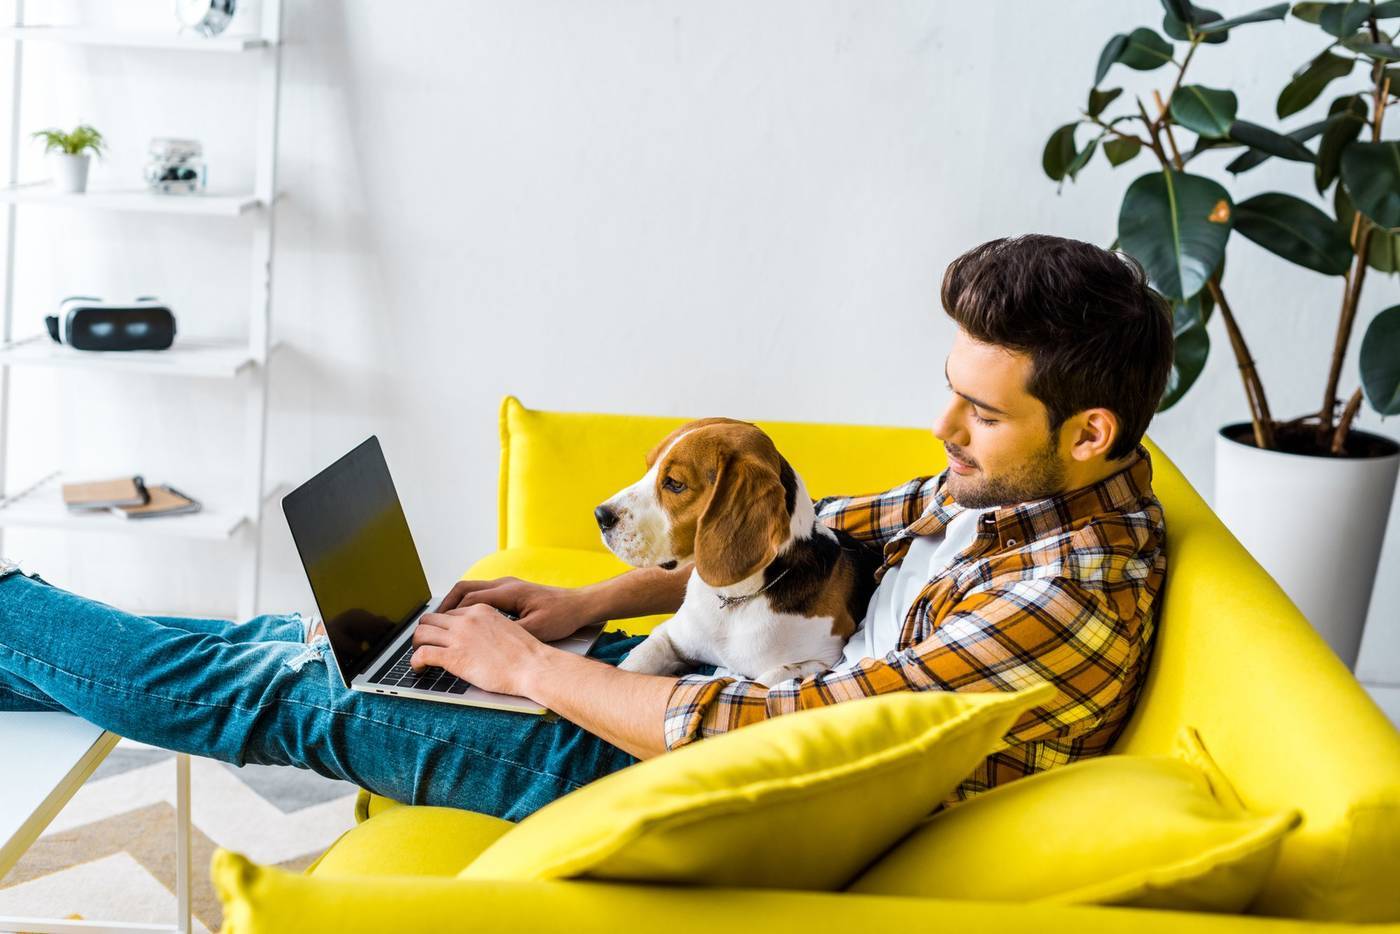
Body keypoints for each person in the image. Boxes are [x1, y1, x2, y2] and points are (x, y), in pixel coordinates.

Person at [0, 234, 1171, 821]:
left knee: (285, 696)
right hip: (671, 712)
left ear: (1085, 430)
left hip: (686, 782)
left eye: (978, 408)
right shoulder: (999, 504)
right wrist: (582, 609)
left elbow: (795, 734)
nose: (942, 427)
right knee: (302, 637)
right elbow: (793, 547)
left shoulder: (1063, 594)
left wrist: (528, 668)